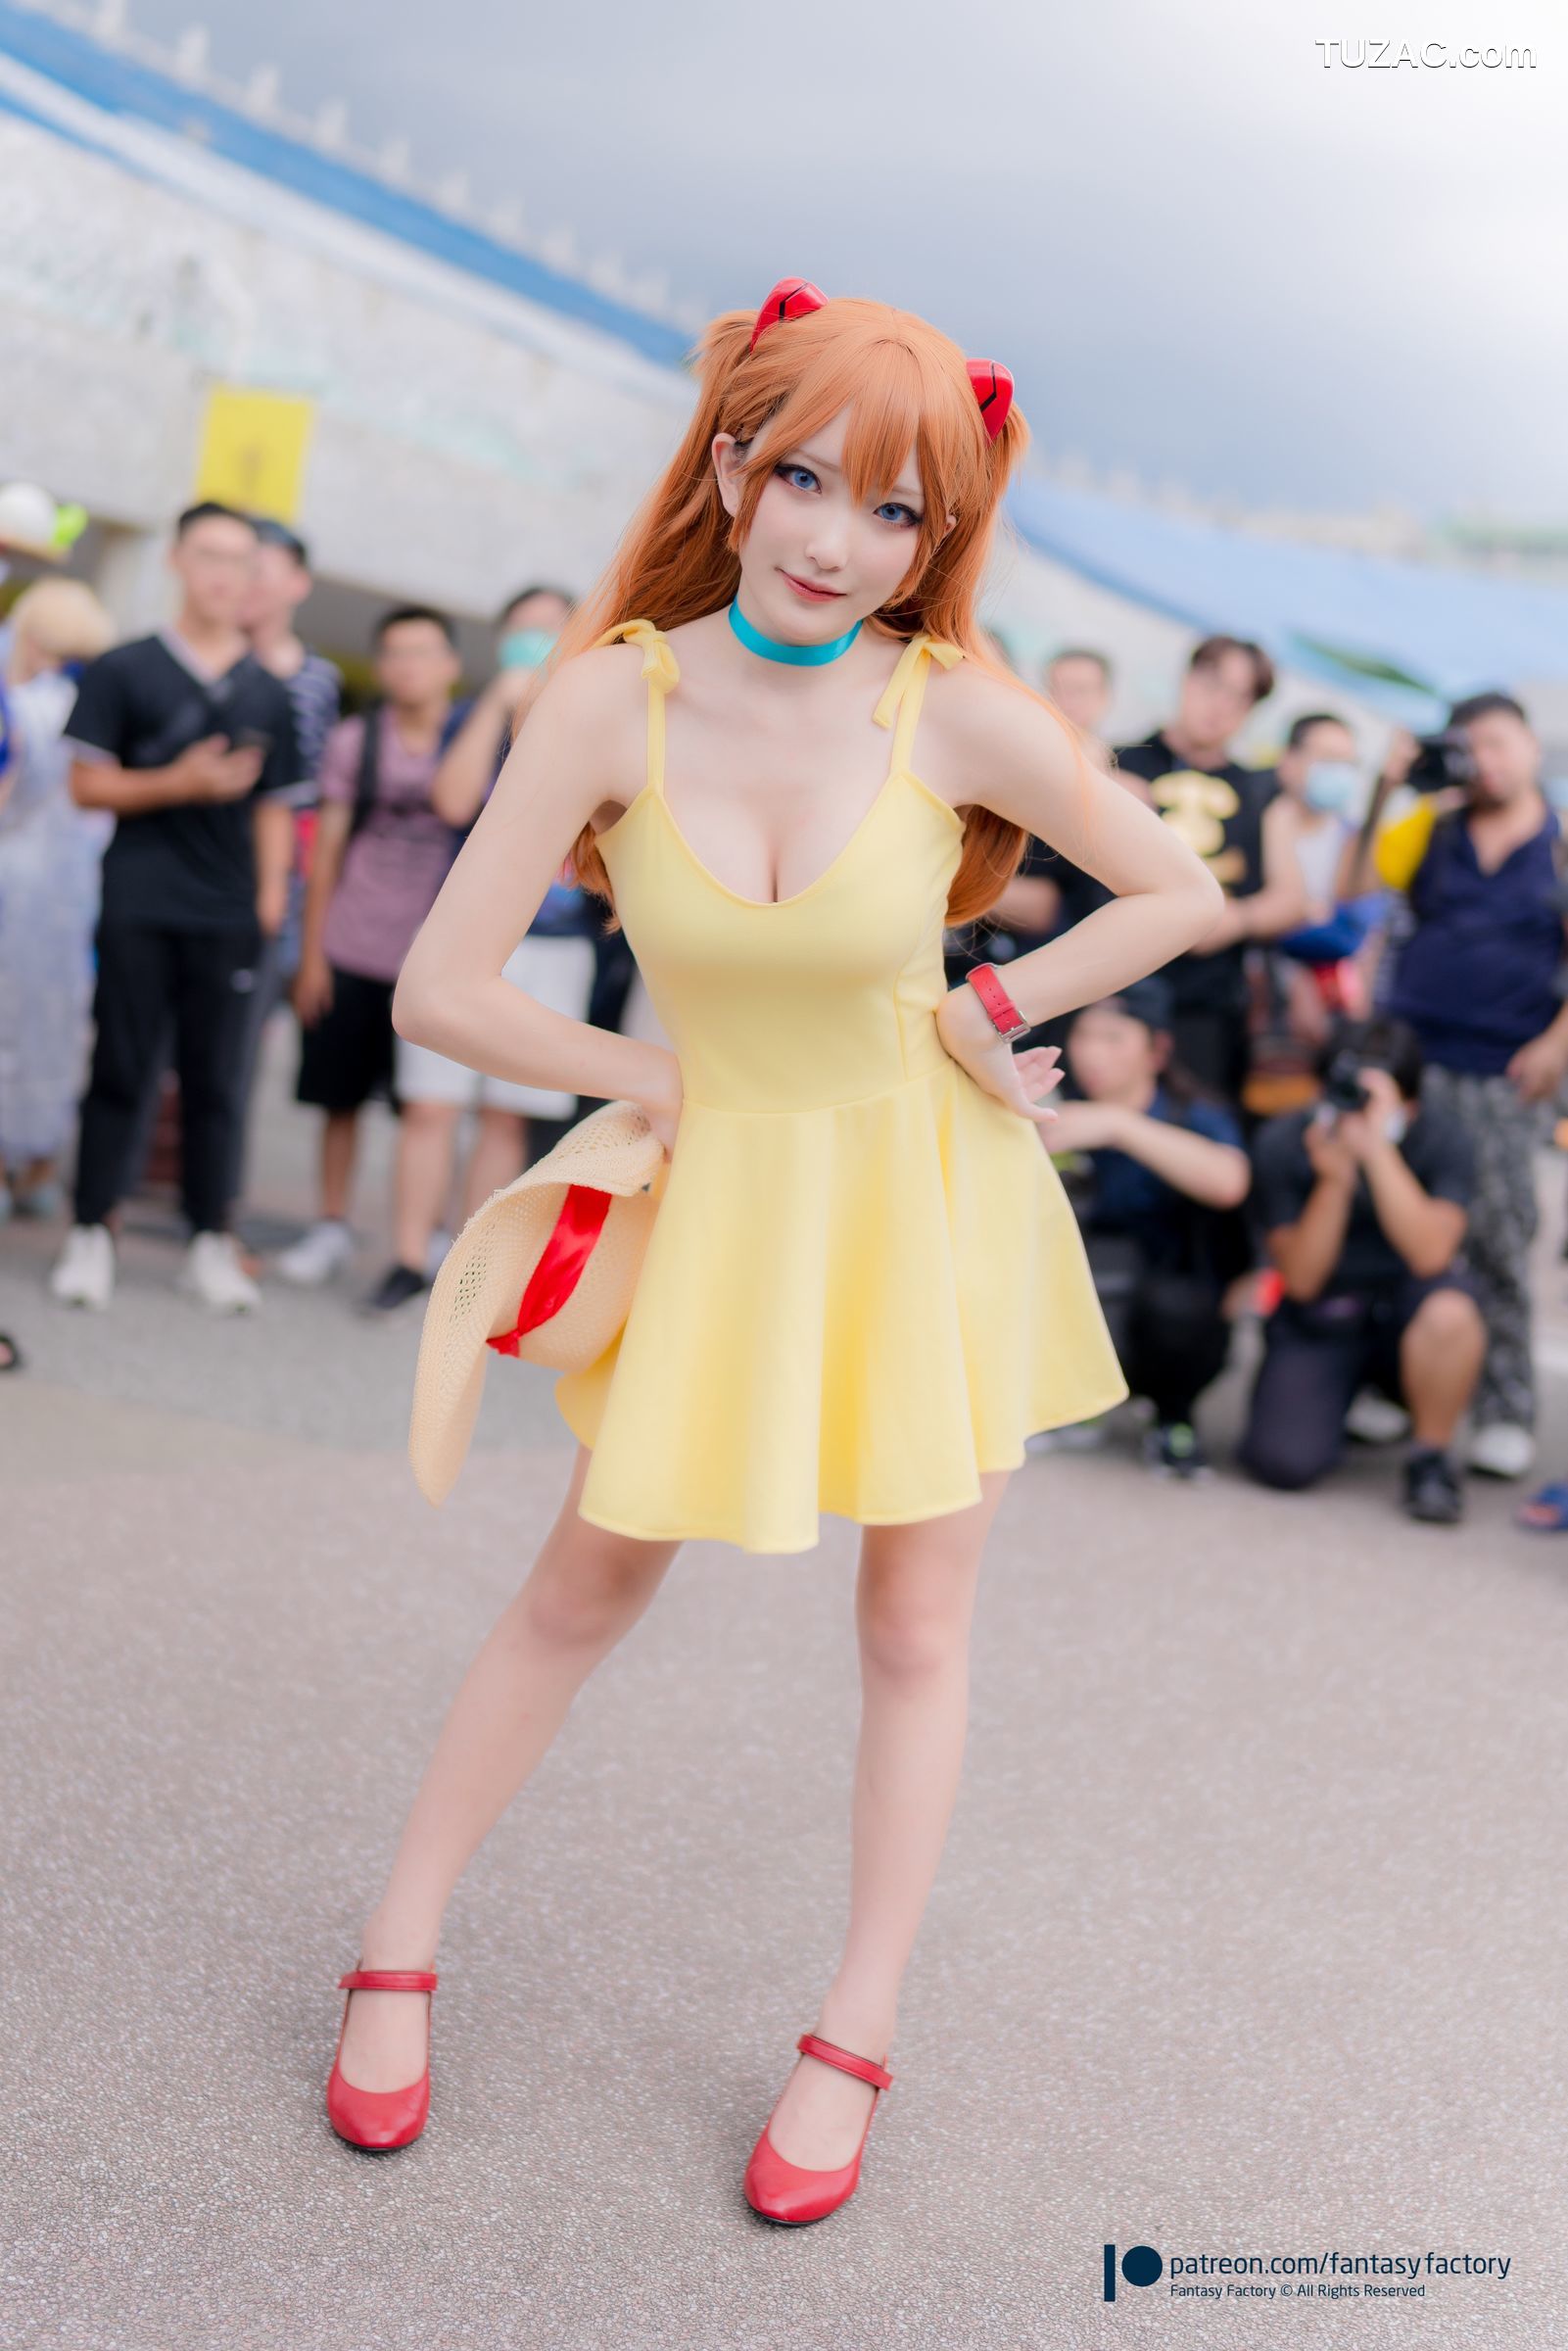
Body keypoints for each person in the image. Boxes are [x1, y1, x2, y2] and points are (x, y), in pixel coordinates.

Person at [320, 280, 1223, 2224]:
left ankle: (853, 2030)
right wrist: (643, 1072)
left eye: (895, 512)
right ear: (728, 467)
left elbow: (1176, 887)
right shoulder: (611, 697)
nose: (834, 541)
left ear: (933, 541)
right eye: (804, 479)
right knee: (579, 1588)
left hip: (927, 1202)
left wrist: (993, 1003)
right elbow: (442, 991)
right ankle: (394, 1945)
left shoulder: (945, 706)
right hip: (724, 1205)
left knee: (912, 1627)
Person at [50, 503, 298, 1313]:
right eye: (210, 554)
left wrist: (269, 901)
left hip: (229, 913)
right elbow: (86, 786)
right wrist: (177, 783)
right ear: (177, 560)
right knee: (121, 1068)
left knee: (217, 1080)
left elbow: (274, 807)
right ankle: (92, 1228)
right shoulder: (124, 668)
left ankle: (208, 1238)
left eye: (241, 560)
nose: (226, 574)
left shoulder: (270, 691)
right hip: (139, 898)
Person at [1340, 692, 1567, 1480]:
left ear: (1530, 746)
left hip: (1506, 1067)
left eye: (1498, 743)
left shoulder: (1559, 842)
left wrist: (1556, 1043)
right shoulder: (1430, 824)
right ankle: (1397, 1387)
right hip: (1411, 1061)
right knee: (1394, 1222)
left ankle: (1503, 1410)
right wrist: (1386, 789)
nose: (1486, 762)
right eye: (1471, 747)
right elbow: (1352, 886)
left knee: (1498, 1236)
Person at [383, 586, 597, 1249]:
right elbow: (451, 802)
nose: (532, 642)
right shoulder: (469, 717)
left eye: (548, 628)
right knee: (430, 1104)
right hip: (459, 936)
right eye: (520, 629)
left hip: (558, 943)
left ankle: (468, 1263)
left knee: (508, 1116)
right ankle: (408, 1256)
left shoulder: (597, 718)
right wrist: (497, 706)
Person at [282, 605, 466, 1307]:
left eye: (422, 652)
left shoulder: (476, 739)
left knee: (430, 1106)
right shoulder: (355, 741)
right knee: (340, 1100)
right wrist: (312, 955)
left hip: (433, 959)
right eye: (394, 653)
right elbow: (325, 851)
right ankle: (330, 1225)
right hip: (354, 942)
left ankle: (423, 1238)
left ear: (450, 665)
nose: (407, 666)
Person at [1239, 1016, 1482, 1521]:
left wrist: (1377, 1151)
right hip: (1326, 1315)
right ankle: (1338, 1404)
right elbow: (1300, 1281)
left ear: (1410, 1103)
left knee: (1451, 1313)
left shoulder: (1444, 1137)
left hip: (1408, 1310)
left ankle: (1430, 1457)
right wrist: (1335, 1181)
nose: (1358, 1109)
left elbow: (1431, 1255)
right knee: (1282, 1461)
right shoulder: (1285, 1141)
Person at [1050, 637, 1309, 1111]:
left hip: (1201, 1005)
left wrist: (1234, 920)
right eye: (1213, 685)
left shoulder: (1261, 792)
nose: (1221, 705)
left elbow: (1292, 899)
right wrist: (1101, 778)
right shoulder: (1117, 760)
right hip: (1104, 988)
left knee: (1190, 1121)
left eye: (1240, 697)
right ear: (1188, 679)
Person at [1043, 976, 1252, 1476]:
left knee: (1179, 1311)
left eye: (1114, 1038)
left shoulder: (1192, 1113)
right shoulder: (1054, 1104)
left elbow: (1229, 1182)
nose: (1093, 1053)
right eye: (1085, 1035)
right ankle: (1066, 1400)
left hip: (1164, 1294)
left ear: (1157, 1051)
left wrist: (1119, 1127)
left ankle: (1172, 1415)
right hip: (1079, 1280)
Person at [226, 517, 343, 1210]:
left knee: (240, 1053)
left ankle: (218, 1207)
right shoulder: (209, 661)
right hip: (194, 873)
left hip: (278, 890)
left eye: (259, 569)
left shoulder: (317, 681)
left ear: (296, 583)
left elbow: (314, 798)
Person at [0, 579, 116, 1221]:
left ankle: (19, 1165)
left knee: (22, 1022)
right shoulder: (83, 706)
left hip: (30, 879)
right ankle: (37, 1163)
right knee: (49, 1026)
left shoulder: (28, 704)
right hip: (64, 885)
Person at [1044, 646, 1115, 772]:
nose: (1068, 701)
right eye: (1058, 688)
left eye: (1081, 690)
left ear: (1104, 696)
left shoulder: (1129, 767)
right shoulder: (1025, 755)